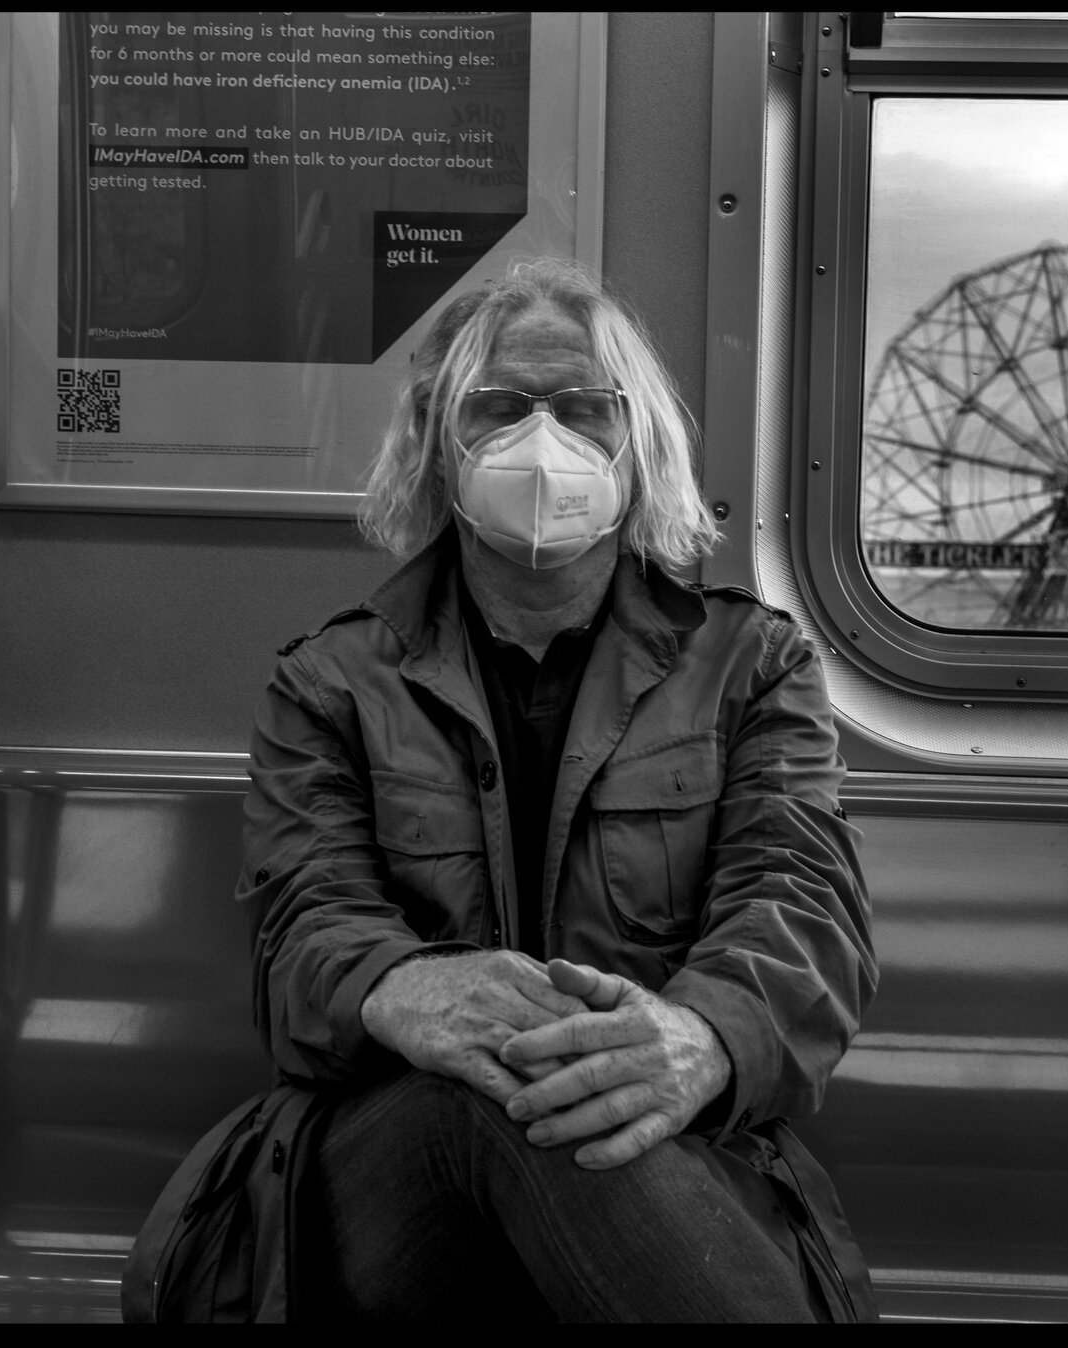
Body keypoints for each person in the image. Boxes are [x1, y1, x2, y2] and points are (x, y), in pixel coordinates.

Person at [238, 257, 876, 1322]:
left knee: (564, 1101)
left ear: (640, 442)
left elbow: (799, 906)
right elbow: (300, 925)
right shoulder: (328, 684)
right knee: (484, 1087)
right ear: (440, 444)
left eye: (585, 406)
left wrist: (697, 1038)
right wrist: (413, 994)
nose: (545, 440)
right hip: (387, 1166)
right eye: (499, 407)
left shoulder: (751, 668)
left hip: (665, 1148)